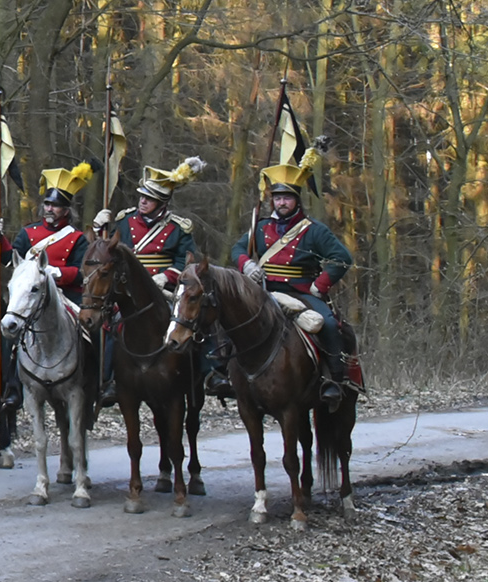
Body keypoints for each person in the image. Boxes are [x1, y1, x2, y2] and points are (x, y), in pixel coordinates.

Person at [233, 164, 355, 406]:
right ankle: (225, 374)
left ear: (297, 200)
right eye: (277, 197)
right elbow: (238, 248)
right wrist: (246, 265)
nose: (282, 203)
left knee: (329, 324)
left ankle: (334, 380)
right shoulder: (260, 226)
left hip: (301, 292)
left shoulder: (315, 230)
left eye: (287, 197)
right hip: (265, 291)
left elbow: (343, 258)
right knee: (230, 318)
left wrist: (319, 286)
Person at [94, 156, 206, 394]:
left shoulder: (178, 227)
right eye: (142, 197)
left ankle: (203, 375)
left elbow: (185, 260)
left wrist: (167, 276)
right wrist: (98, 229)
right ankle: (107, 379)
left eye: (149, 199)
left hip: (163, 287)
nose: (142, 202)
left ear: (162, 202)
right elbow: (107, 254)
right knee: (105, 323)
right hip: (128, 285)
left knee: (194, 321)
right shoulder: (125, 220)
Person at [0, 162, 94, 411]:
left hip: (65, 295)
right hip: (33, 297)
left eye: (55, 205)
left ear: (66, 210)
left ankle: (95, 382)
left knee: (94, 331)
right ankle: (12, 389)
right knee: (8, 334)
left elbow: (81, 274)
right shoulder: (28, 233)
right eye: (47, 204)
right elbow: (9, 260)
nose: (49, 209)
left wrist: (58, 273)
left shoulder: (77, 238)